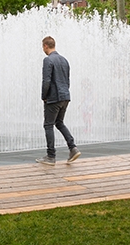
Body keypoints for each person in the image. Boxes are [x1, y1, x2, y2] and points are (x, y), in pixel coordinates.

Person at [36, 36, 80, 166]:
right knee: (59, 123)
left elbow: (46, 81)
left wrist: (44, 96)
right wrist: (65, 93)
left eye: (42, 47)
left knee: (48, 125)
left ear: (45, 46)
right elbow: (67, 80)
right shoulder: (64, 60)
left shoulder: (48, 60)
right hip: (65, 96)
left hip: (54, 97)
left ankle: (51, 156)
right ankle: (73, 148)